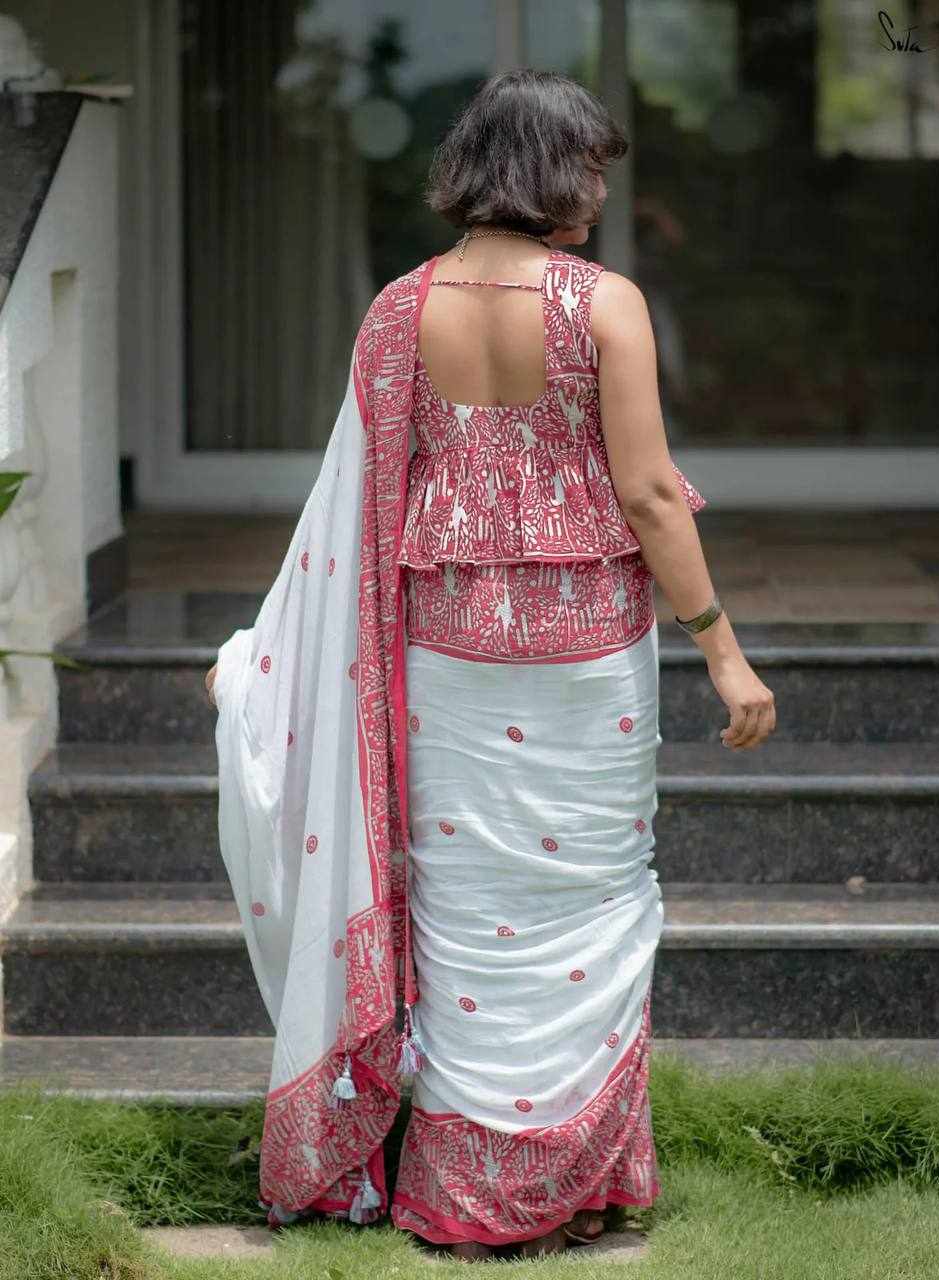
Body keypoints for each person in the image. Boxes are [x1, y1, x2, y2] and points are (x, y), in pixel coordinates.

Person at [206, 68, 775, 1263]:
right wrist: (724, 650)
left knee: (469, 913)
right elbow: (649, 494)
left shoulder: (399, 311)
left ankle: (464, 1188)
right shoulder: (603, 304)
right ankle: (576, 1184)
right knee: (589, 903)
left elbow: (370, 502)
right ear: (550, 171)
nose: (601, 190)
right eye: (593, 165)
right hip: (586, 662)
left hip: (448, 657)